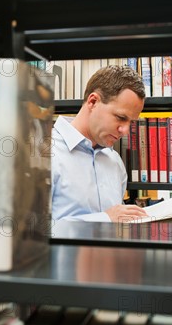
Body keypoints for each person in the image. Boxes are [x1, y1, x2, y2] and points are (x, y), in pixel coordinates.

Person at [51, 65, 148, 222]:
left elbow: (117, 220)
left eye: (131, 122)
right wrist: (105, 219)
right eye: (121, 117)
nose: (125, 131)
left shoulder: (115, 161)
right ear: (93, 101)